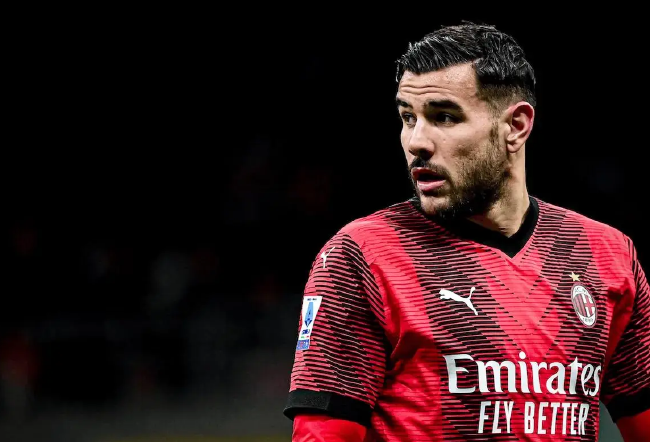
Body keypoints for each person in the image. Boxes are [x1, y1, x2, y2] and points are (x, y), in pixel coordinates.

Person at [282, 21, 649, 442]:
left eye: (444, 117)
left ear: (516, 126)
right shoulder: (362, 256)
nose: (416, 141)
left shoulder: (606, 254)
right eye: (408, 117)